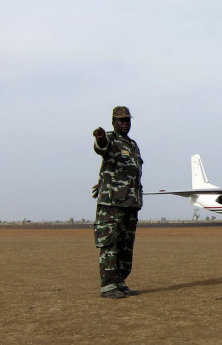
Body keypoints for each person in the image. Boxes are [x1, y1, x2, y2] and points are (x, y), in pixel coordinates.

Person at [91, 106, 144, 299]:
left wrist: (104, 181)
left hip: (130, 202)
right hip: (113, 204)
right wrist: (100, 138)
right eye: (121, 120)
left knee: (125, 244)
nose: (124, 123)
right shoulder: (111, 140)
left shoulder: (132, 144)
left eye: (127, 120)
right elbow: (102, 148)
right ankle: (108, 285)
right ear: (113, 122)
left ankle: (120, 281)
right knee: (110, 243)